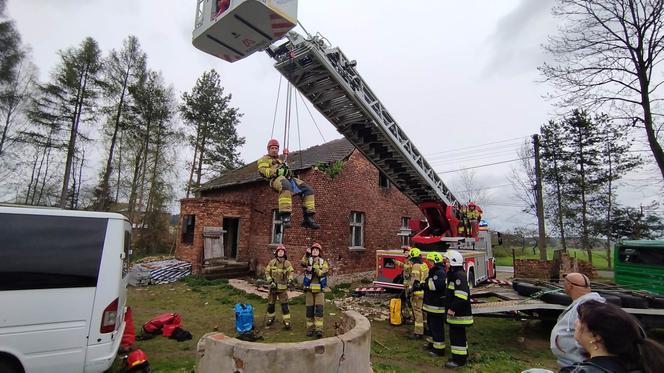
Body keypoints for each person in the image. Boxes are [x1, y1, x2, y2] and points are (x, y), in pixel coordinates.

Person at [560, 300, 664, 373]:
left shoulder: (577, 371)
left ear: (595, 336)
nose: (575, 323)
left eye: (579, 319)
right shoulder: (641, 367)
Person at [257, 139, 319, 229]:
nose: (274, 150)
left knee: (308, 189)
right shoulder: (264, 159)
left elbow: (287, 172)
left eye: (276, 148)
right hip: (275, 180)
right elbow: (262, 171)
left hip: (287, 179)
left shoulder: (281, 161)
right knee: (285, 185)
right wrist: (276, 171)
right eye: (272, 148)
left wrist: (287, 169)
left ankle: (308, 217)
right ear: (268, 149)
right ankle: (285, 216)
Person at [551, 273, 605, 369]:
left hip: (578, 365)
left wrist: (585, 361)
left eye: (564, 284)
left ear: (569, 286)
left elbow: (589, 336)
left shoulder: (587, 307)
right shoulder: (583, 303)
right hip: (570, 363)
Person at [444, 250, 473, 368]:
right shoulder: (455, 274)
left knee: (457, 337)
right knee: (458, 336)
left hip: (459, 315)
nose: (445, 264)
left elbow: (461, 296)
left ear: (453, 262)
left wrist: (452, 309)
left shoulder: (458, 276)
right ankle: (461, 356)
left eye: (446, 262)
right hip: (458, 314)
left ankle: (459, 361)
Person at [418, 251, 447, 357]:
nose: (428, 263)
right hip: (431, 305)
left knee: (437, 328)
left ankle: (439, 350)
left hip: (436, 306)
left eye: (430, 261)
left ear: (435, 261)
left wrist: (423, 286)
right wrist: (421, 285)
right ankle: (431, 343)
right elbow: (428, 283)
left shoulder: (439, 273)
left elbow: (435, 286)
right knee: (431, 326)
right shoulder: (434, 271)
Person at [264, 244, 295, 329]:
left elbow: (291, 272)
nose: (280, 253)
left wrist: (290, 280)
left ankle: (287, 322)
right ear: (276, 253)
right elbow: (267, 271)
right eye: (279, 251)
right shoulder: (272, 262)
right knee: (271, 305)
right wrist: (270, 281)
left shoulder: (287, 263)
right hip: (273, 288)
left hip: (282, 289)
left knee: (284, 306)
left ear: (284, 253)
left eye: (282, 251)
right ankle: (270, 319)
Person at [302, 242, 329, 338]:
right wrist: (306, 254)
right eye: (313, 250)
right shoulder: (308, 260)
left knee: (319, 310)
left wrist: (314, 268)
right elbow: (302, 263)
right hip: (309, 290)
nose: (314, 251)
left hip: (319, 291)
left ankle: (319, 329)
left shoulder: (323, 262)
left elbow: (323, 273)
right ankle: (310, 328)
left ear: (319, 252)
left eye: (316, 250)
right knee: (309, 310)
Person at [404, 247, 429, 339]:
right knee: (424, 311)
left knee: (417, 312)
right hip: (424, 292)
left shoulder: (415, 266)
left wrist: (410, 291)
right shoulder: (424, 265)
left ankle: (418, 332)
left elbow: (415, 281)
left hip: (417, 293)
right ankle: (426, 328)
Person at [395, 245, 414, 324]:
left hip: (410, 285)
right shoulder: (407, 260)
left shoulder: (411, 261)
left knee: (411, 301)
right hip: (407, 284)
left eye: (406, 252)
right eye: (404, 252)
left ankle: (412, 318)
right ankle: (409, 316)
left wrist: (398, 263)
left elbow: (408, 268)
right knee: (407, 300)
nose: (404, 254)